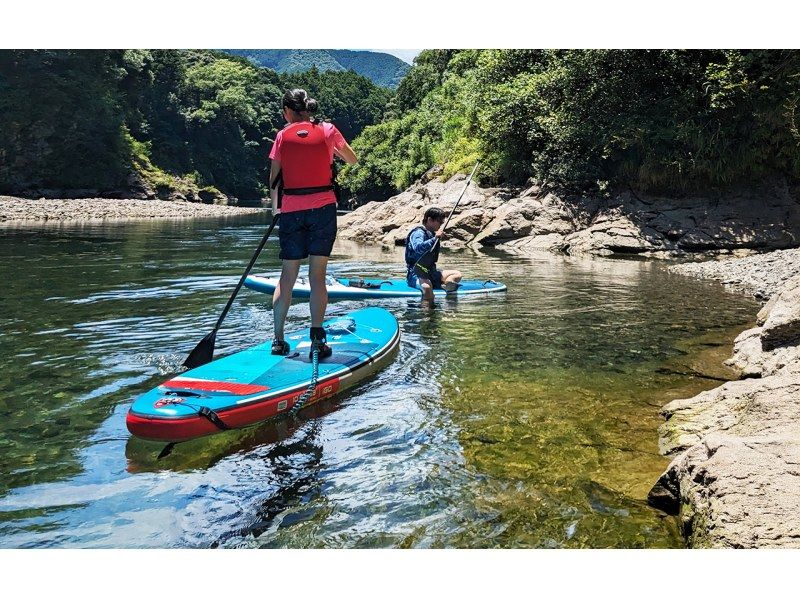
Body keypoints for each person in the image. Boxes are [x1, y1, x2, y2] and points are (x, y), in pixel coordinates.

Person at [269, 88, 357, 358]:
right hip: (322, 209)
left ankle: (278, 340)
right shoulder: (328, 130)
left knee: (287, 276)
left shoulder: (282, 136)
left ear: (287, 110)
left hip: (291, 210)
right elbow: (352, 159)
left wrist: (277, 211)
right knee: (317, 276)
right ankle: (317, 338)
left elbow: (274, 179)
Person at [405, 207, 463, 302]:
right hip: (417, 273)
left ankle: (448, 284)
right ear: (429, 220)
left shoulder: (431, 233)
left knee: (457, 274)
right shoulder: (418, 233)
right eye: (439, 221)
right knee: (427, 288)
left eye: (442, 222)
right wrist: (434, 239)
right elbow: (418, 248)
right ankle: (428, 314)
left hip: (431, 272)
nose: (441, 224)